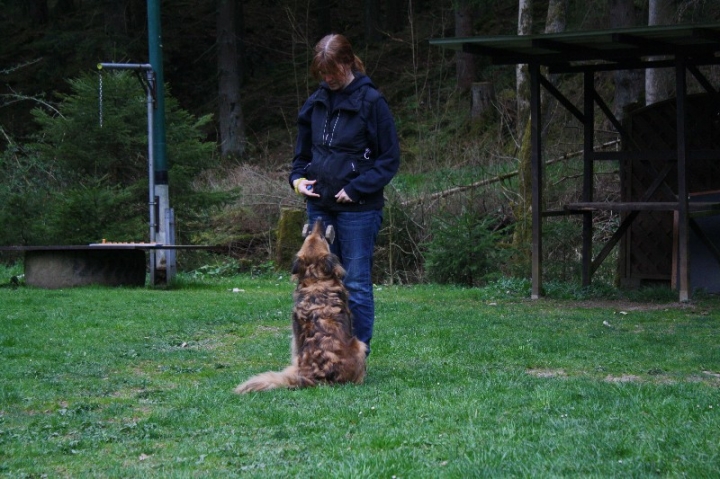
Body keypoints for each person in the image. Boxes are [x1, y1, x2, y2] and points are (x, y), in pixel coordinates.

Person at [289, 33, 400, 356]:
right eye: (322, 73)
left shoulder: (372, 103)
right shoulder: (316, 102)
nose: (327, 78)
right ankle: (322, 351)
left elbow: (389, 160)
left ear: (348, 63)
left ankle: (356, 356)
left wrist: (355, 188)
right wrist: (297, 180)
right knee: (317, 287)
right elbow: (301, 156)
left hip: (359, 211)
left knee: (355, 286)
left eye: (332, 71)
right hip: (319, 208)